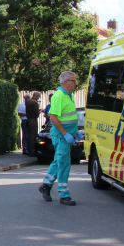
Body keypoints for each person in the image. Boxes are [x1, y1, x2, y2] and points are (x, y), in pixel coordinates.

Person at [38, 72, 79, 206]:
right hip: (62, 136)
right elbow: (53, 117)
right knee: (63, 163)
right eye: (73, 81)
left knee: (58, 161)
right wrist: (66, 134)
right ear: (66, 82)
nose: (75, 83)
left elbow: (68, 117)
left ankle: (46, 185)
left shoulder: (68, 95)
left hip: (66, 135)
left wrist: (75, 131)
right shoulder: (59, 96)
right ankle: (64, 194)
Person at [25, 92, 41, 157]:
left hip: (28, 119)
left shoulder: (27, 101)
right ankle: (32, 150)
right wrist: (39, 112)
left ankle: (29, 149)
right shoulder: (34, 102)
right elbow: (36, 112)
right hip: (33, 119)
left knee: (29, 135)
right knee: (33, 135)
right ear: (36, 96)